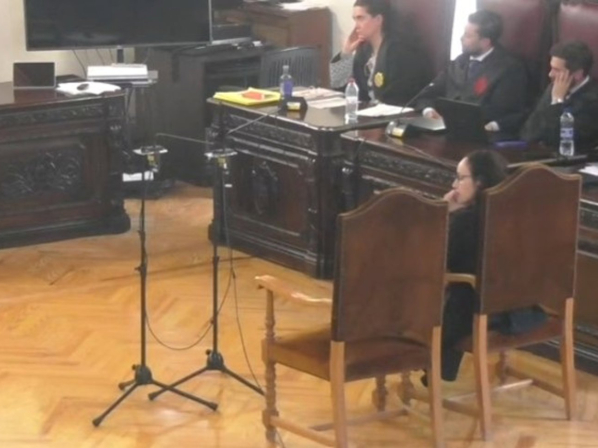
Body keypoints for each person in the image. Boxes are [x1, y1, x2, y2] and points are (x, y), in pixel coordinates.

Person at [427, 150, 547, 384]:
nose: (454, 185)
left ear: (480, 182)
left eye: (460, 178)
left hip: (477, 312)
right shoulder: (519, 215)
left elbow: (435, 261)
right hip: (522, 309)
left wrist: (443, 214)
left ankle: (422, 364)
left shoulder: (466, 221)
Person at [417, 10, 528, 136]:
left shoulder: (509, 68)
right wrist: (428, 110)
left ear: (485, 41)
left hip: (481, 136)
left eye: (468, 36)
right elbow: (427, 94)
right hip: (445, 129)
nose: (461, 38)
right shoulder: (460, 61)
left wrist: (492, 126)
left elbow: (510, 114)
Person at [329, 0, 429, 105]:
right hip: (369, 112)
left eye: (361, 18)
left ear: (378, 20)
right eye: (355, 19)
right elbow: (341, 89)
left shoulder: (398, 50)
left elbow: (397, 97)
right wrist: (346, 54)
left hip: (393, 112)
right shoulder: (364, 50)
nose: (356, 26)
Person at [521, 40, 598, 152]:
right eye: (551, 68)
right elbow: (529, 130)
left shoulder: (593, 101)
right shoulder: (554, 87)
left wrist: (557, 101)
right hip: (536, 152)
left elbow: (558, 139)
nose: (550, 74)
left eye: (557, 70)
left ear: (578, 74)